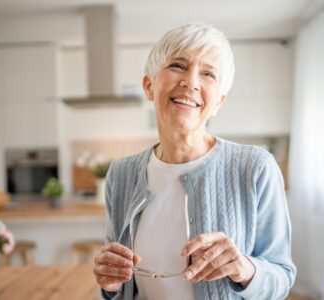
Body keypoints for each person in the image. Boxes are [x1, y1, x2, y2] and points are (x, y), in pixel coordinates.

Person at [92, 22, 296, 300]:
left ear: (219, 101)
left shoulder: (256, 167)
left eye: (208, 73)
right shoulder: (121, 173)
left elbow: (281, 278)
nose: (191, 82)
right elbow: (116, 286)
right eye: (178, 65)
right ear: (149, 85)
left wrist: (244, 269)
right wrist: (109, 284)